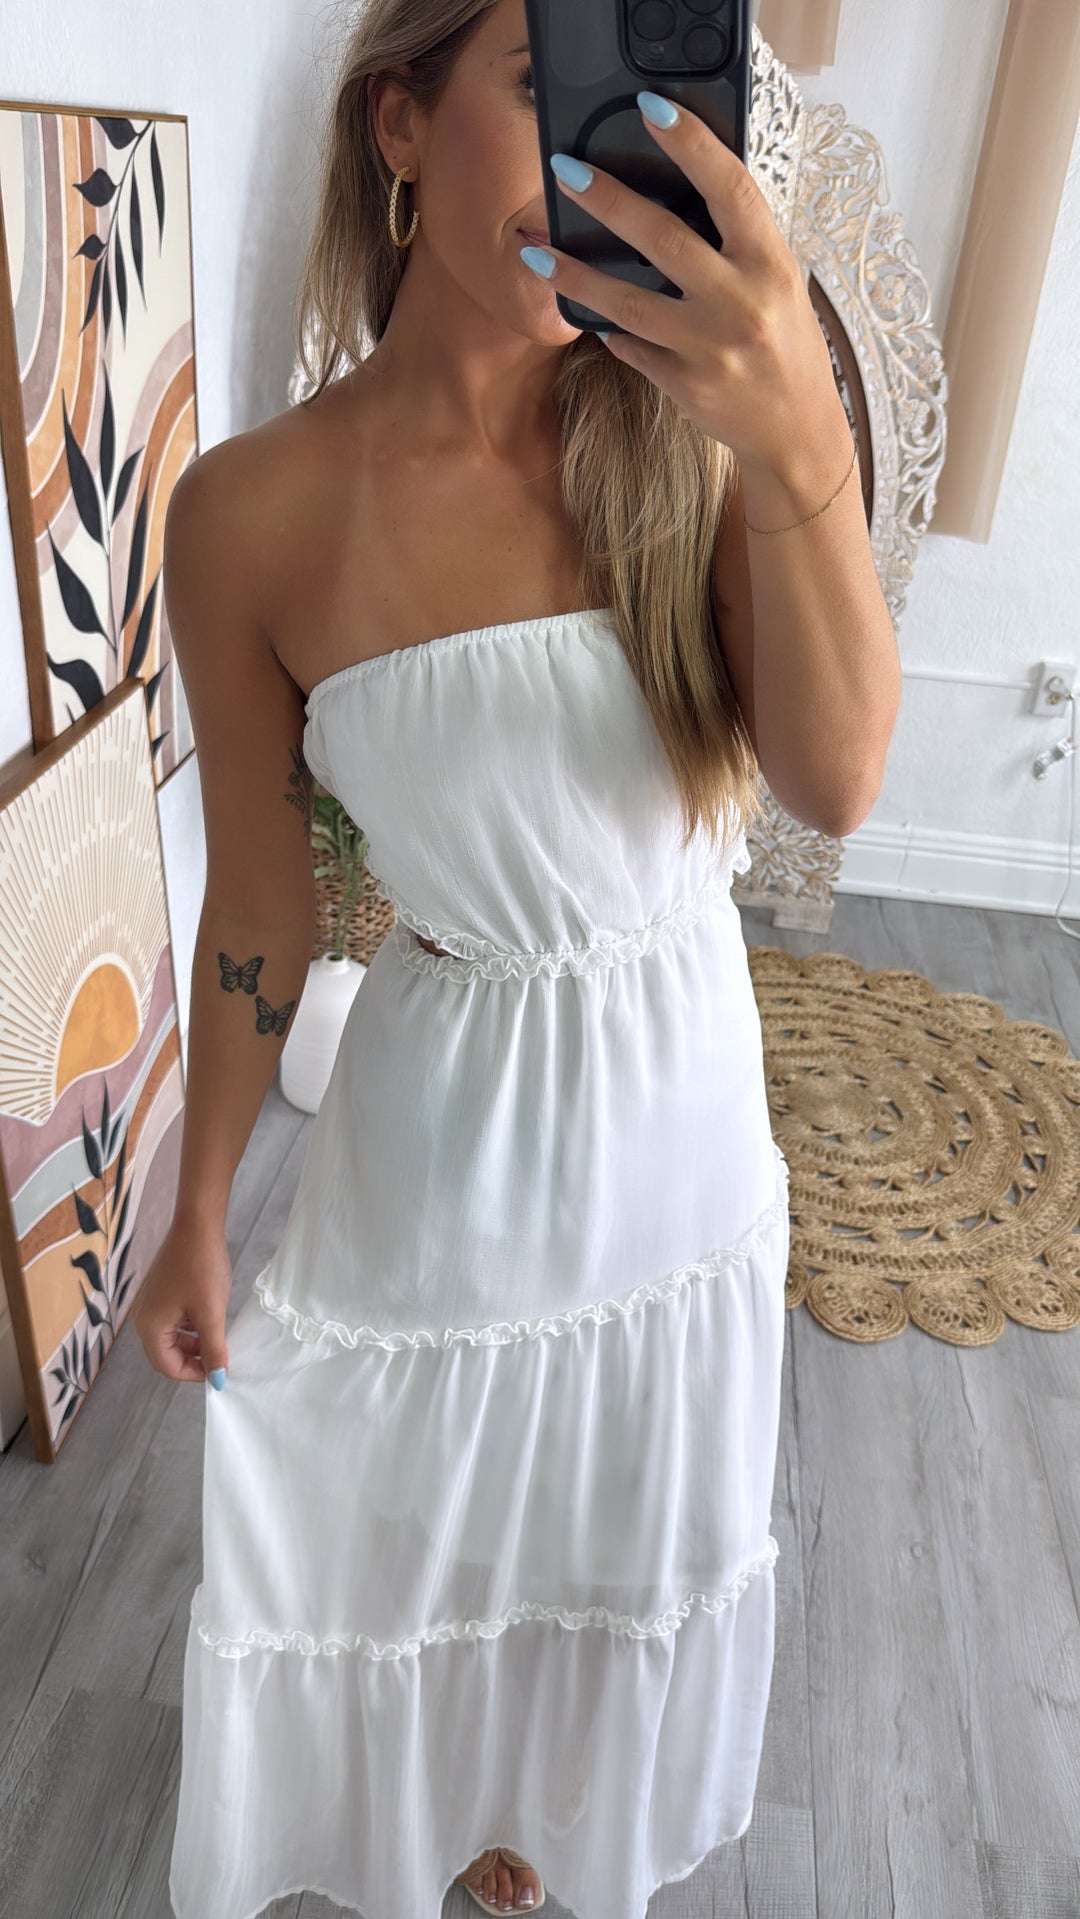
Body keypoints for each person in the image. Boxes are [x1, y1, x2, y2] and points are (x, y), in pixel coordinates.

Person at [135, 2, 899, 1915]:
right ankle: (466, 1843)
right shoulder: (249, 514)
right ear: (396, 125)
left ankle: (554, 1848)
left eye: (633, 99)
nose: (595, 146)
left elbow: (836, 780)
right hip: (445, 1164)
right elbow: (261, 904)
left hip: (684, 1136)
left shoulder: (690, 436)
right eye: (540, 82)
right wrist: (200, 1201)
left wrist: (796, 426)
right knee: (437, 1566)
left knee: (627, 1559)